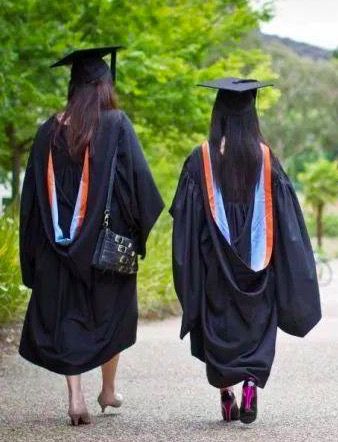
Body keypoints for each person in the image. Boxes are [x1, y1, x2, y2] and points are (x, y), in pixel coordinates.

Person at [18, 47, 164, 425]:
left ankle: (77, 397)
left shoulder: (47, 131)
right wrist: (136, 233)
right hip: (104, 248)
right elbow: (140, 186)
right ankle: (109, 390)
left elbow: (31, 198)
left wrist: (33, 253)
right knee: (111, 314)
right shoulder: (115, 124)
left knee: (67, 316)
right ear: (103, 86)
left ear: (73, 85)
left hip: (56, 246)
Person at [170, 77, 322, 424]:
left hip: (214, 272)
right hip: (259, 270)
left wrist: (189, 268)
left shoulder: (200, 160)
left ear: (217, 114)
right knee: (255, 327)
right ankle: (251, 382)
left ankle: (226, 394)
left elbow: (185, 222)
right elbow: (287, 223)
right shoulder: (266, 159)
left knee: (218, 329)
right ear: (251, 115)